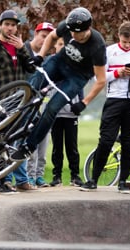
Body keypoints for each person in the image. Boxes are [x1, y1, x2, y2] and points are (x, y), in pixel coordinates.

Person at [11, 7, 108, 174]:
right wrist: (41, 56)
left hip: (77, 77)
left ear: (88, 29)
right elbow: (51, 36)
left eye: (80, 34)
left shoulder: (97, 46)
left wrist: (84, 103)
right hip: (59, 62)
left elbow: (101, 80)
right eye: (73, 33)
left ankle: (29, 146)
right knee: (32, 86)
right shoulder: (66, 26)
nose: (75, 37)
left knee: (52, 109)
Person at [82, 21, 130, 193]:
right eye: (124, 41)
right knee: (106, 140)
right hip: (113, 100)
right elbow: (98, 78)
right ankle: (93, 179)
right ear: (119, 36)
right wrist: (117, 73)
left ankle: (123, 181)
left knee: (128, 142)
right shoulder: (109, 52)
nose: (127, 45)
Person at [0, 10, 35, 194]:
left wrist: (22, 49)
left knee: (9, 143)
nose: (10, 28)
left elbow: (31, 68)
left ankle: (2, 181)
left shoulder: (19, 48)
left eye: (13, 25)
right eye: (7, 24)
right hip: (0, 105)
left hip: (18, 104)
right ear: (0, 25)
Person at [25, 22, 57, 188]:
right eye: (43, 36)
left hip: (43, 105)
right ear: (36, 34)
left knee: (44, 143)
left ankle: (39, 175)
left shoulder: (49, 58)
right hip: (27, 105)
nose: (45, 41)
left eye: (49, 38)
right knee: (30, 145)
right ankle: (28, 177)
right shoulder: (25, 52)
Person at [48, 37, 83, 187]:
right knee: (57, 147)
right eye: (60, 44)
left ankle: (75, 176)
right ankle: (57, 176)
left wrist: (81, 103)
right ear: (55, 46)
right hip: (55, 112)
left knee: (72, 146)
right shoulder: (51, 63)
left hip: (71, 111)